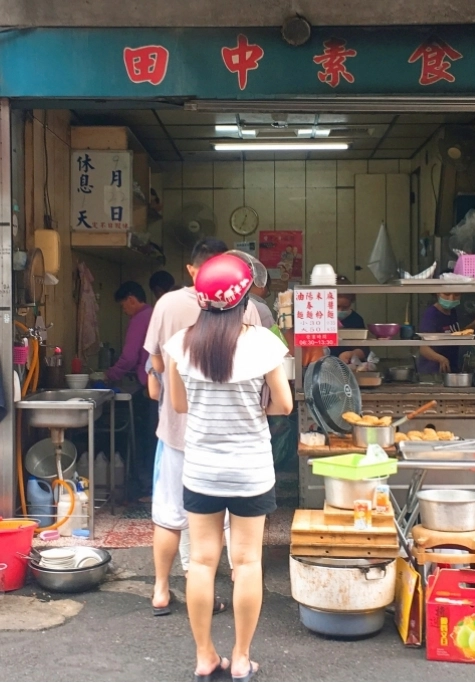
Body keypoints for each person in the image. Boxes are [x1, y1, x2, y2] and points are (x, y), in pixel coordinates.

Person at [164, 253, 292, 682]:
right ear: (244, 300)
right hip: (251, 472)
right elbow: (284, 405)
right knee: (247, 562)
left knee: (201, 563)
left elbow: (179, 405)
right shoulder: (262, 344)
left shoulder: (180, 344)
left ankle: (205, 657)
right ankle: (240, 658)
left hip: (201, 469)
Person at [143, 238, 263, 620]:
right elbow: (262, 378)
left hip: (178, 433)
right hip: (232, 439)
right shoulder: (250, 309)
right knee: (227, 536)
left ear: (194, 270)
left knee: (169, 515)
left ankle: (162, 590)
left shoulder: (166, 305)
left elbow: (157, 366)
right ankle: (216, 599)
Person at [106, 281, 156, 498]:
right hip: (160, 386)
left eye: (124, 306)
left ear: (131, 299)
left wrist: (110, 375)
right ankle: (153, 486)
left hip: (147, 388)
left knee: (143, 440)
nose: (124, 311)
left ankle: (145, 487)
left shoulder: (140, 319)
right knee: (154, 440)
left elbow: (129, 357)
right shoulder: (154, 314)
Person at [416, 292, 475, 374]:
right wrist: (441, 359)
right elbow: (423, 348)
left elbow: (453, 334)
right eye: (446, 294)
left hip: (450, 369)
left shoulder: (452, 312)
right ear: (438, 294)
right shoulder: (431, 315)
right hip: (433, 371)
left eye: (456, 295)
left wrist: (472, 326)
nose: (451, 299)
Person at [329, 275, 368, 365]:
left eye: (345, 307)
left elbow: (364, 350)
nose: (340, 311)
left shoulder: (355, 320)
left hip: (347, 369)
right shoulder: (318, 319)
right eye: (336, 306)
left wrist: (352, 354)